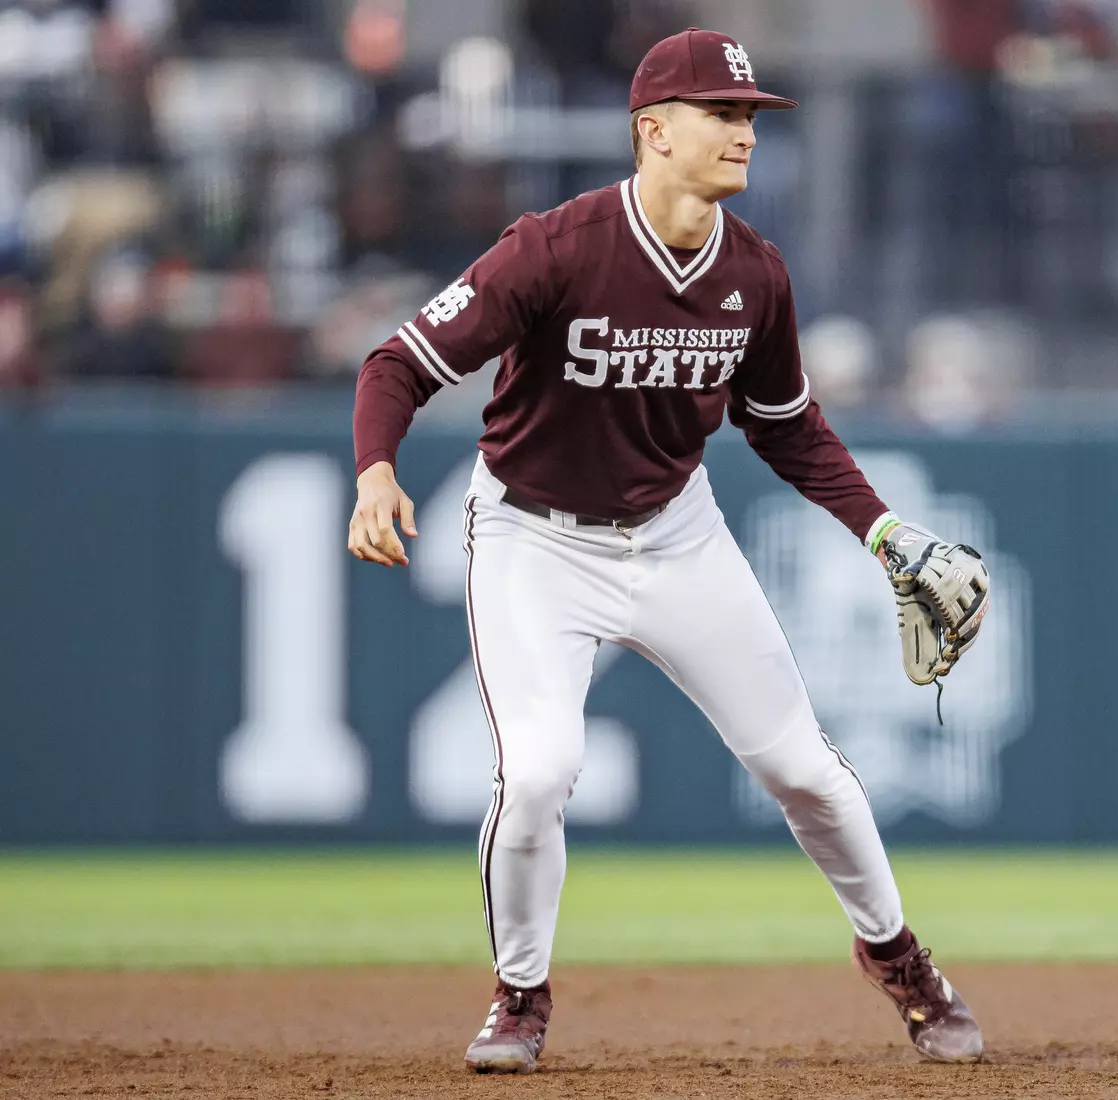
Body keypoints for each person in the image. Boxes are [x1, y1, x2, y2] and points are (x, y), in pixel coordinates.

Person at [347, 27, 987, 1074]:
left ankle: (903, 959)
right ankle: (520, 993)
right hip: (532, 537)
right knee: (541, 770)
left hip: (675, 533)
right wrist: (377, 470)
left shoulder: (755, 276)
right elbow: (397, 364)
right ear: (654, 130)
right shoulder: (556, 246)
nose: (743, 132)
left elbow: (786, 426)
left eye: (749, 116)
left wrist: (882, 529)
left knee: (805, 771)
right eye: (721, 114)